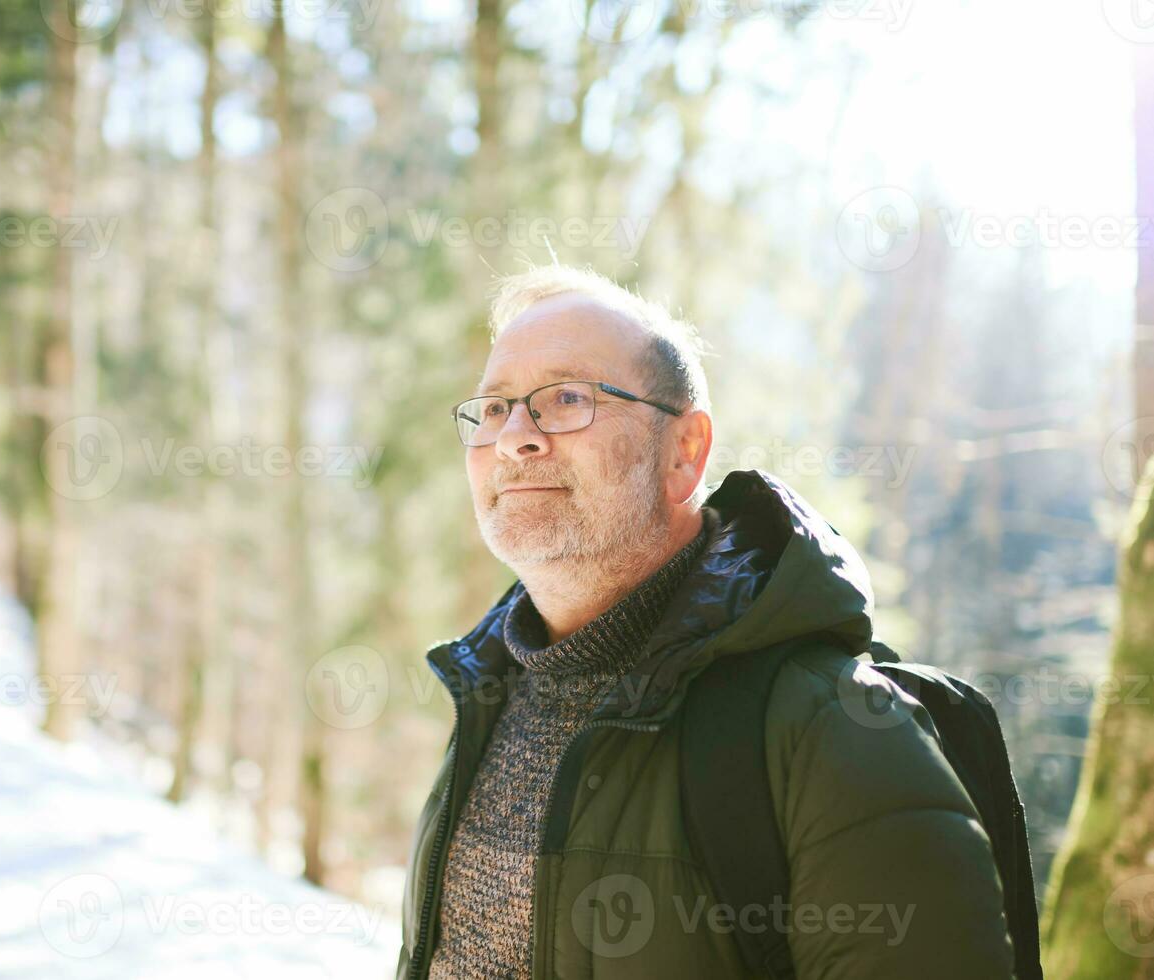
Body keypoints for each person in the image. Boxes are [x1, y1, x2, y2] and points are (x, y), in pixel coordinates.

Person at [394, 265, 1014, 979]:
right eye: (494, 408)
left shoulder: (836, 731)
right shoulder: (488, 691)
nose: (515, 438)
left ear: (683, 451)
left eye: (565, 398)